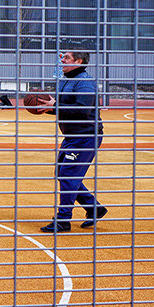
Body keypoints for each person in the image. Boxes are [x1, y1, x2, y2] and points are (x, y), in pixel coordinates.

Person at [40, 50, 107, 233]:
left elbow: (82, 110)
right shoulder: (66, 80)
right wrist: (48, 108)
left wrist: (56, 106)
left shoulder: (84, 82)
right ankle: (94, 208)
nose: (62, 59)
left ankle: (63, 220)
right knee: (62, 173)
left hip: (86, 137)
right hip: (73, 136)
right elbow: (65, 108)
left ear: (78, 61)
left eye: (66, 57)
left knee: (68, 175)